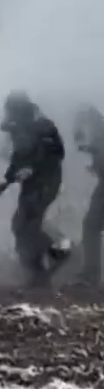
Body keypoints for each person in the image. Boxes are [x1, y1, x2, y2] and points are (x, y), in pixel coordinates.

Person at [0, 91, 70, 287]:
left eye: (10, 110)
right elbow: (18, 158)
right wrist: (6, 181)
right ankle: (36, 271)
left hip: (47, 182)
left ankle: (56, 254)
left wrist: (34, 168)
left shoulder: (43, 126)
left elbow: (57, 154)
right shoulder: (18, 127)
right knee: (19, 226)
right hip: (31, 183)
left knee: (28, 227)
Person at [74, 104, 104, 285]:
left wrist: (90, 149)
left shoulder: (99, 132)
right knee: (91, 225)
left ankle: (91, 274)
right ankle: (91, 273)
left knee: (91, 225)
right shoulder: (97, 133)